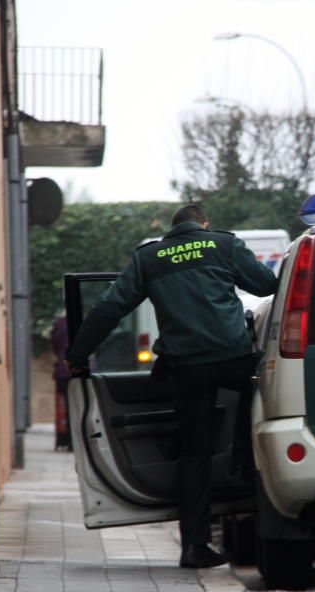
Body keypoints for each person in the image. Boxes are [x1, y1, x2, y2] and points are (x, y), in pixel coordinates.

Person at [65, 204, 278, 568]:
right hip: (232, 358)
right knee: (262, 402)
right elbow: (266, 285)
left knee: (194, 454)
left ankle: (194, 547)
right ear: (204, 223)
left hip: (186, 366)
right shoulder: (222, 246)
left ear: (173, 228)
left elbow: (109, 307)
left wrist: (78, 354)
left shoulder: (150, 258)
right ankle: (244, 460)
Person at [51, 315, 72, 451]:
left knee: (63, 407)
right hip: (84, 370)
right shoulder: (88, 321)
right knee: (82, 406)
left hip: (63, 370)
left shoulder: (59, 324)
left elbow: (54, 346)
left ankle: (63, 440)